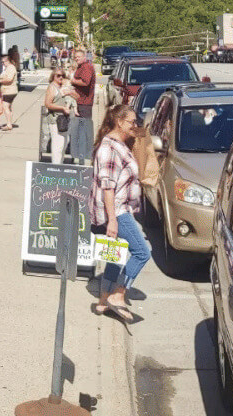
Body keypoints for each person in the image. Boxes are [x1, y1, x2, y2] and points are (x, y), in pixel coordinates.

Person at [89, 105, 150, 323]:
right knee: (142, 252)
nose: (135, 126)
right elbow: (107, 187)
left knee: (115, 254)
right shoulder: (109, 148)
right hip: (115, 211)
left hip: (120, 209)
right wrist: (113, 221)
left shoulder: (120, 144)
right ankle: (118, 293)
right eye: (132, 122)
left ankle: (103, 300)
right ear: (120, 122)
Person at [44, 67, 78, 163]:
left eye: (63, 75)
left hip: (65, 119)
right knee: (58, 145)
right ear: (53, 76)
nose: (61, 77)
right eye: (58, 75)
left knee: (64, 144)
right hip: (55, 120)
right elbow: (48, 104)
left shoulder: (64, 87)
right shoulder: (52, 87)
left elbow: (78, 97)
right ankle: (55, 168)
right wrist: (62, 108)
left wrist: (70, 92)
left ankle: (60, 165)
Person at [69, 49, 97, 165]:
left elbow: (85, 82)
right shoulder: (81, 67)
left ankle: (83, 162)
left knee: (83, 132)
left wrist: (73, 80)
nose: (77, 58)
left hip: (84, 104)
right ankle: (79, 158)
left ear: (85, 57)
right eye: (75, 57)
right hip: (79, 103)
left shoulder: (87, 67)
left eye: (79, 57)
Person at [0, 54, 18, 131]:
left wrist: (0, 81)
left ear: (7, 61)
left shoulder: (11, 68)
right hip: (7, 91)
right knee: (9, 107)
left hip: (9, 91)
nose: (2, 63)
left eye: (3, 62)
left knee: (5, 107)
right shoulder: (7, 68)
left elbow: (9, 79)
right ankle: (9, 123)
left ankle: (9, 124)